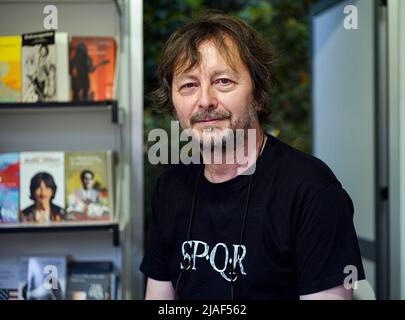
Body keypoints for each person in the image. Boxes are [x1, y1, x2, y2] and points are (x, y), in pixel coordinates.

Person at [140, 13, 365, 300]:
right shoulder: (169, 188)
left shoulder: (312, 190)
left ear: (258, 96)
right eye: (189, 85)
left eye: (223, 81)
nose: (205, 100)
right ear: (173, 104)